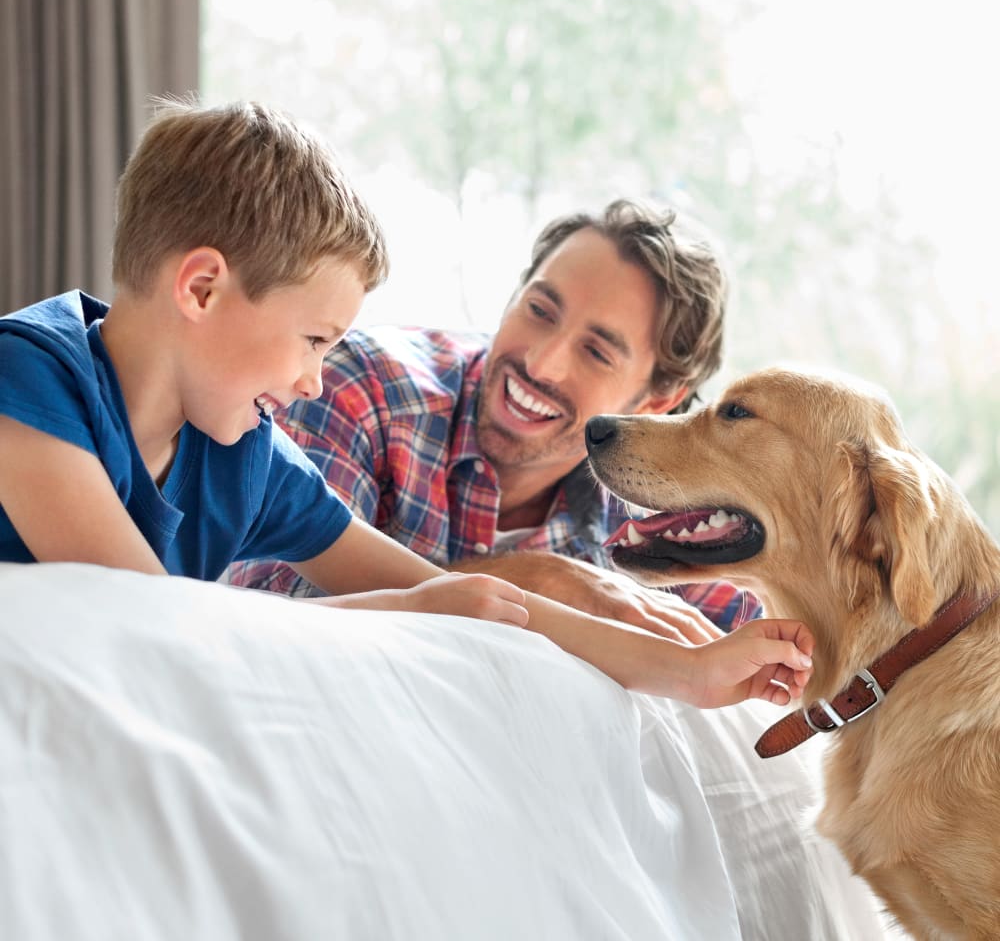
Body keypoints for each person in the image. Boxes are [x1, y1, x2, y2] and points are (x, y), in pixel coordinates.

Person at [0, 98, 812, 709]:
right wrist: (408, 609)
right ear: (203, 288)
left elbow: (482, 601)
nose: (318, 378)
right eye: (314, 339)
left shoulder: (245, 452)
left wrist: (691, 672)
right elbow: (156, 628)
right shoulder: (25, 378)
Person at [230, 199, 760, 642]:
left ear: (657, 400)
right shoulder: (360, 387)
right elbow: (274, 619)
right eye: (540, 311)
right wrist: (540, 583)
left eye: (596, 353)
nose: (539, 363)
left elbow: (764, 658)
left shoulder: (660, 518)